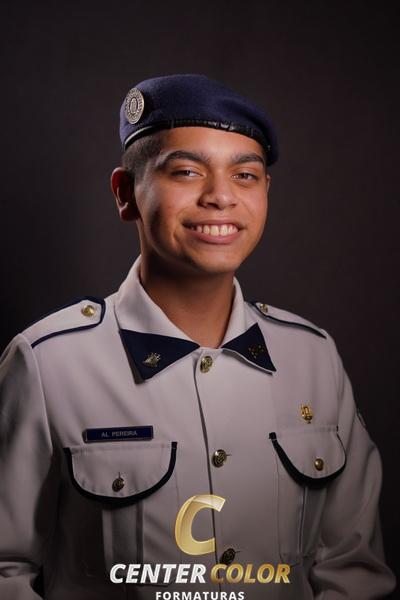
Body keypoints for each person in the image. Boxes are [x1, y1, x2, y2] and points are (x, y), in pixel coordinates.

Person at [0, 74, 395, 600]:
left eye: (245, 175)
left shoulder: (313, 357)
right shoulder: (48, 364)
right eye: (186, 171)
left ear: (266, 193)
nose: (221, 197)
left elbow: (353, 568)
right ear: (125, 194)